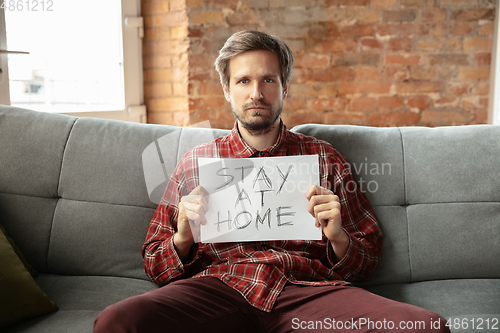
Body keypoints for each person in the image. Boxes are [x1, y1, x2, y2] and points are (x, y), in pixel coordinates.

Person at [94, 30, 450, 333]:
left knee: (426, 326)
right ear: (227, 90)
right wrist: (184, 236)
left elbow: (367, 261)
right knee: (118, 321)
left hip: (307, 291)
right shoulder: (195, 164)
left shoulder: (324, 159)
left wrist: (338, 236)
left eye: (268, 80)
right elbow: (155, 263)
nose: (256, 93)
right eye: (243, 81)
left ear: (284, 87)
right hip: (218, 289)